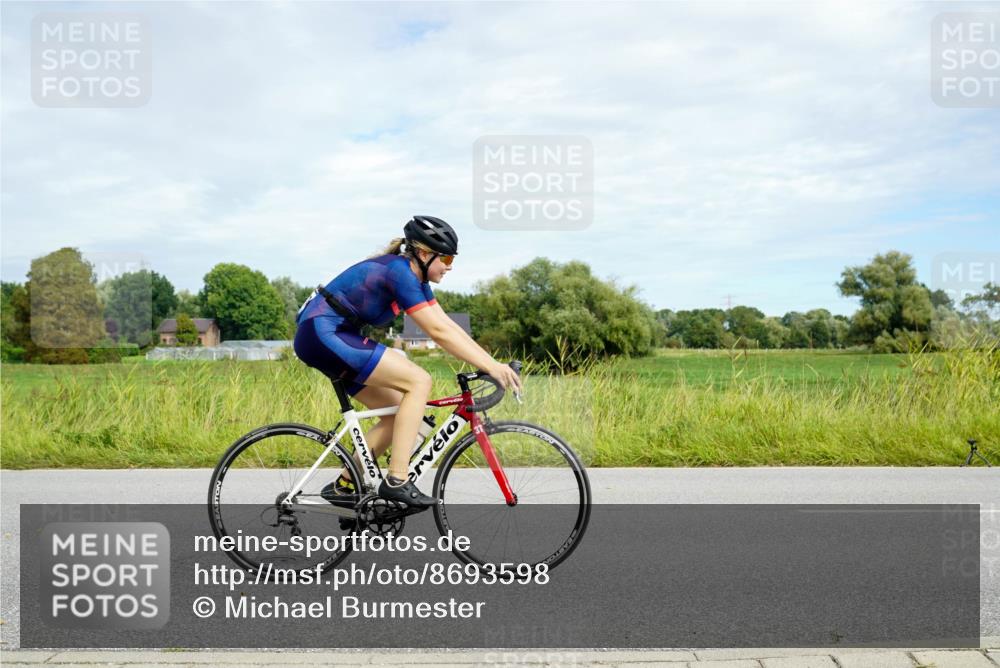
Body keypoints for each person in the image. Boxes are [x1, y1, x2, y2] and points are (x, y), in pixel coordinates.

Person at [293, 215, 522, 508]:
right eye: (447, 258)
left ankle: (344, 485)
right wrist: (492, 367)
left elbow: (449, 327)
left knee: (397, 413)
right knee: (419, 381)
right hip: (323, 333)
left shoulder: (416, 279)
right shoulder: (400, 273)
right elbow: (437, 333)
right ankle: (397, 480)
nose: (450, 266)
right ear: (424, 254)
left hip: (331, 336)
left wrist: (493, 363)